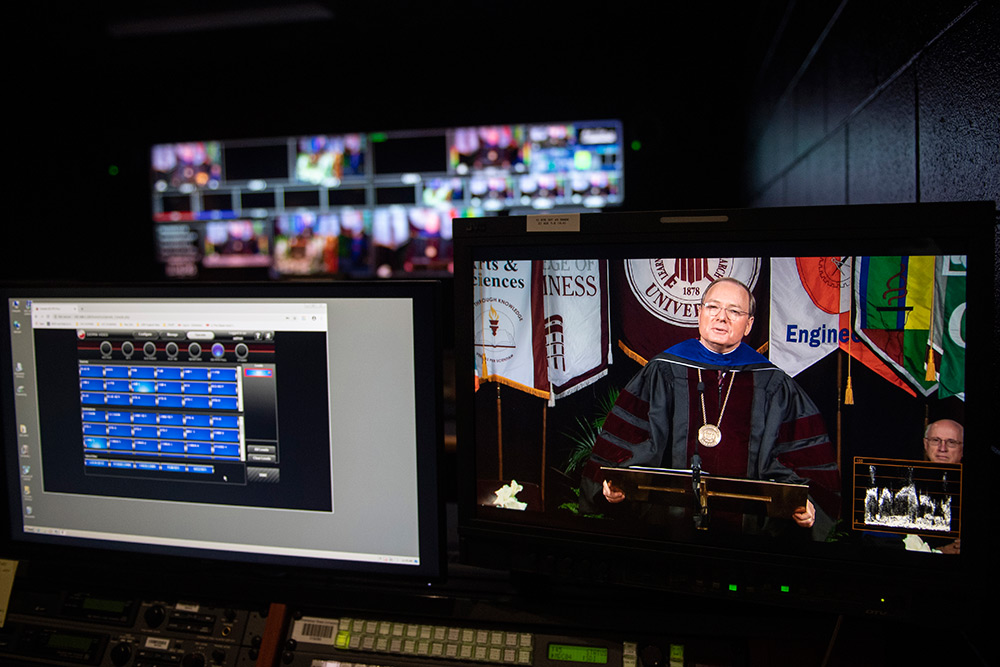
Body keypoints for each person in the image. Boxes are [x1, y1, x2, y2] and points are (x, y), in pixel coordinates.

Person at [581, 277, 840, 536]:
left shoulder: (772, 382)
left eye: (734, 311)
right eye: (713, 307)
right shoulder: (664, 370)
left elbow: (799, 454)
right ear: (699, 314)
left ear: (749, 324)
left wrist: (804, 502)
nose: (721, 317)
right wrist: (617, 481)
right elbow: (631, 442)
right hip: (670, 531)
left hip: (747, 536)